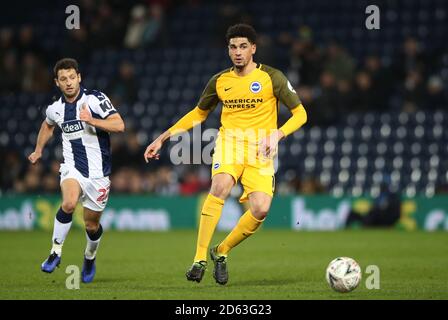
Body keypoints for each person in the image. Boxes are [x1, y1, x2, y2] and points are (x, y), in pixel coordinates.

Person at [144, 24, 307, 285]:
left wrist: (278, 134)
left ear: (253, 48)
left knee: (261, 209)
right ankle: (199, 259)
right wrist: (163, 137)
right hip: (229, 144)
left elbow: (301, 114)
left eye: (243, 46)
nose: (238, 52)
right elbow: (199, 113)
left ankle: (221, 251)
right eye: (233, 47)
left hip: (260, 151)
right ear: (228, 50)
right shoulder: (219, 81)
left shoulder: (272, 77)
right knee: (219, 186)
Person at [28, 58, 125, 283]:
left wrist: (92, 121)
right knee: (69, 203)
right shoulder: (55, 109)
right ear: (57, 82)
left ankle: (89, 257)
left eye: (72, 77)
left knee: (91, 225)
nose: (69, 82)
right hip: (72, 168)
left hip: (99, 174)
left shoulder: (95, 100)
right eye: (63, 79)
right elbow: (47, 125)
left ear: (79, 77)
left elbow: (119, 125)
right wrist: (38, 150)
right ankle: (55, 252)